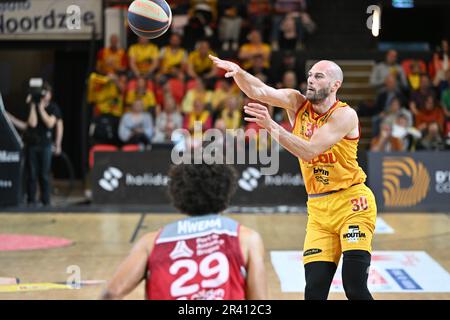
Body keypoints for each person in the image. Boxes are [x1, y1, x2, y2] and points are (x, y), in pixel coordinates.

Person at [210, 55, 377, 300]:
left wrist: (271, 126)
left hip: (352, 203)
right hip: (319, 209)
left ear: (335, 86)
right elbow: (259, 90)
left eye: (318, 76)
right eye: (310, 75)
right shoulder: (296, 102)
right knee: (314, 292)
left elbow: (309, 151)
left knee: (354, 286)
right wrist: (239, 73)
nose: (310, 80)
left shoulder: (344, 115)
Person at [100, 163, 267, 300]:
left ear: (177, 194)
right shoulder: (246, 238)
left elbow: (111, 293)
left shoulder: (152, 242)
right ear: (225, 192)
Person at [24, 83, 61, 206]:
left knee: (44, 174)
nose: (44, 96)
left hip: (46, 144)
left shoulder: (53, 107)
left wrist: (41, 108)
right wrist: (33, 106)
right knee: (32, 173)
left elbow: (51, 124)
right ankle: (31, 200)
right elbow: (32, 123)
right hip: (33, 144)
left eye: (46, 93)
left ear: (50, 95)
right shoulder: (33, 105)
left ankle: (45, 200)